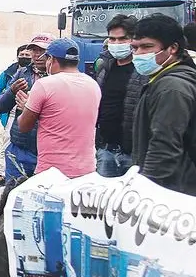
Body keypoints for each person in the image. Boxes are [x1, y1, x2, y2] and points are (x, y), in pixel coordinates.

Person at [16, 38, 101, 179]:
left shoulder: (44, 85)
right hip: (86, 171)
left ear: (52, 60)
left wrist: (26, 108)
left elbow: (24, 126)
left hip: (51, 173)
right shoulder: (93, 85)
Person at [130, 15, 196, 195]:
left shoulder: (172, 87)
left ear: (173, 48)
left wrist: (143, 190)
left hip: (172, 193)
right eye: (134, 48)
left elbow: (164, 146)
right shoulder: (160, 80)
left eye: (147, 47)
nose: (139, 54)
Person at [0, 34, 52, 184]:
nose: (37, 55)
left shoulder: (58, 77)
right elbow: (1, 106)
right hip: (19, 146)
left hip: (47, 149)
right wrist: (11, 91)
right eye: (34, 50)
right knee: (13, 197)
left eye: (42, 51)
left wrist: (31, 107)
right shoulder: (22, 73)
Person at [92, 15, 143, 178]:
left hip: (133, 153)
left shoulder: (142, 70)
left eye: (122, 39)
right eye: (112, 39)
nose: (116, 44)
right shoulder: (104, 67)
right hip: (105, 149)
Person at [0, 45, 32, 187]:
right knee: (8, 144)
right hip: (12, 115)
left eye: (27, 55)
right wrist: (11, 94)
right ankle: (3, 173)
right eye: (22, 55)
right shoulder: (12, 74)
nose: (25, 57)